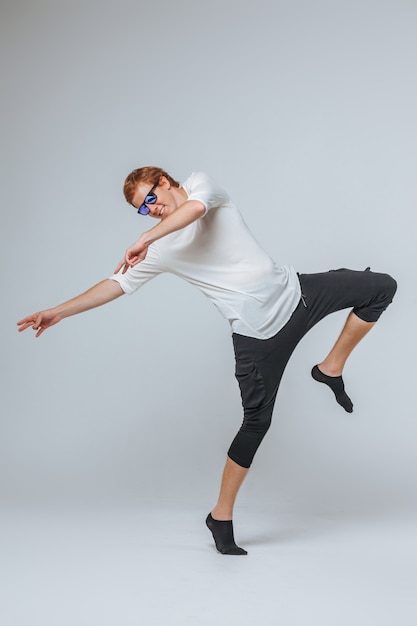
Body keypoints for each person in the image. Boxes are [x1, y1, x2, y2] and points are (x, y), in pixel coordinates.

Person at [17, 167, 397, 556]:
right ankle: (221, 516)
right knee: (256, 424)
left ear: (164, 181)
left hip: (298, 294)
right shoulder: (160, 250)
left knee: (381, 288)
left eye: (150, 199)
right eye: (141, 210)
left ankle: (330, 368)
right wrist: (59, 312)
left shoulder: (201, 186)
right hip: (258, 335)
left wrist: (146, 236)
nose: (149, 210)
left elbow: (196, 209)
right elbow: (116, 284)